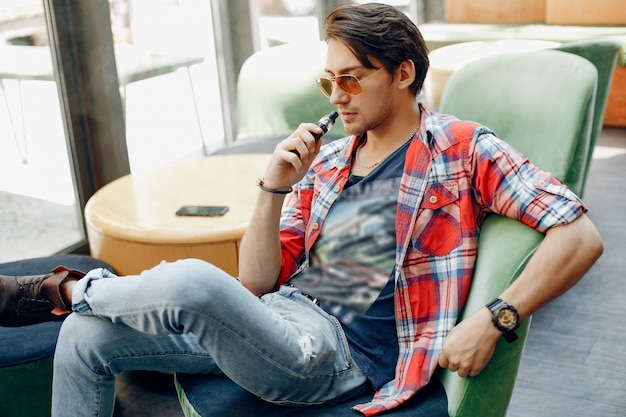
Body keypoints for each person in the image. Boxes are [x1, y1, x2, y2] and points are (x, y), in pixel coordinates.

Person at [0, 2, 603, 416]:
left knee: (191, 281)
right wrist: (273, 188)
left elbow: (579, 236)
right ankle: (75, 300)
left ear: (403, 73)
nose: (337, 96)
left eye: (352, 79)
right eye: (328, 81)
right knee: (85, 338)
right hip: (276, 320)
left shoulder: (464, 148)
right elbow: (259, 281)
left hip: (334, 353)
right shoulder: (334, 161)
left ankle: (67, 289)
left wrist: (496, 317)